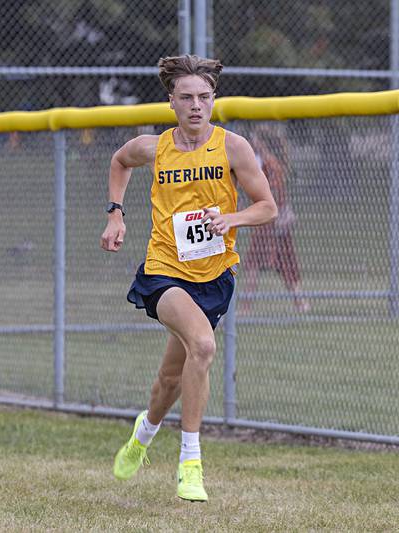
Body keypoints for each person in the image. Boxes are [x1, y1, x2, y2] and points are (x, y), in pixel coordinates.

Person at [100, 55, 277, 501]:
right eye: (187, 98)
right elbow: (119, 161)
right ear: (172, 103)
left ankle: (143, 434)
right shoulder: (154, 147)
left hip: (215, 276)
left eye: (204, 97)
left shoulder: (233, 147)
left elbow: (267, 207)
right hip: (164, 271)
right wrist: (116, 214)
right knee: (203, 345)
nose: (196, 105)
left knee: (169, 380)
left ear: (213, 101)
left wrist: (230, 218)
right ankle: (191, 462)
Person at [245, 125, 309, 312]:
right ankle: (246, 307)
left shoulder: (271, 165)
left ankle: (301, 303)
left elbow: (274, 193)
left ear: (263, 142)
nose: (252, 142)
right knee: (254, 263)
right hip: (265, 222)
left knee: (286, 264)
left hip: (274, 221)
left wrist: (281, 214)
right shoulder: (258, 162)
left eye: (255, 138)